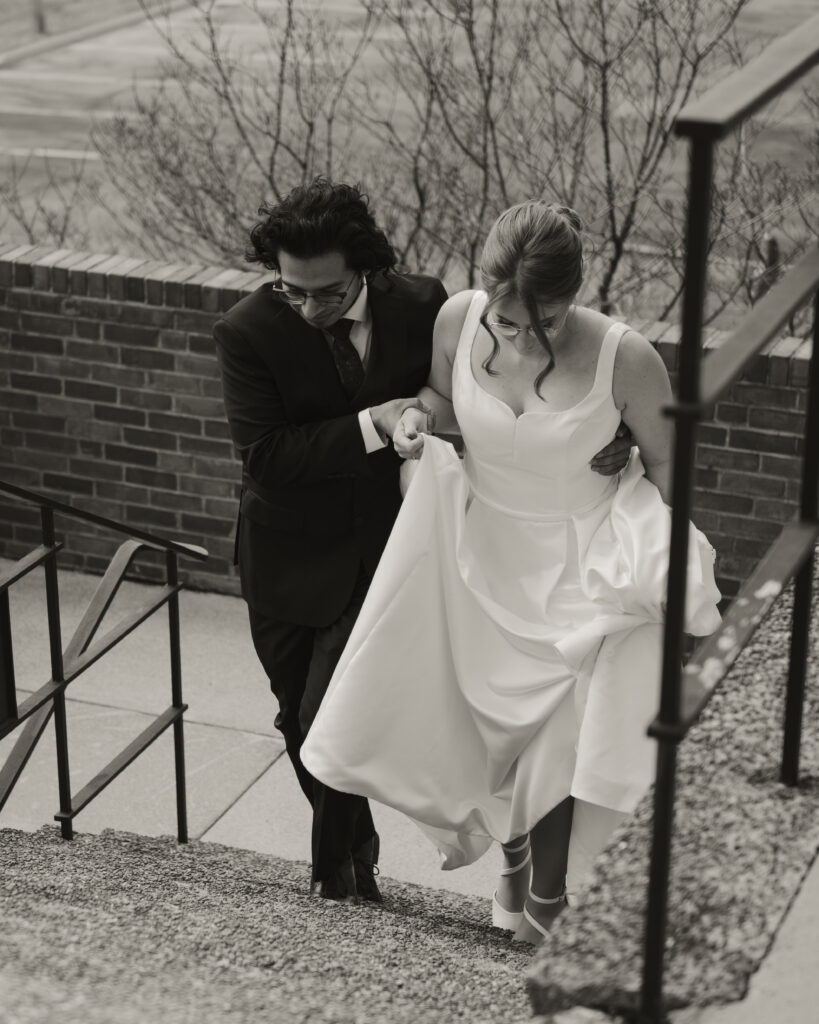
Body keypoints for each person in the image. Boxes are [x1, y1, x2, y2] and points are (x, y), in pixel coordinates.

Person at [300, 200, 721, 939]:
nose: (525, 337)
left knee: (556, 738)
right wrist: (415, 420)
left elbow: (671, 470)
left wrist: (649, 547)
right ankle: (515, 867)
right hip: (478, 554)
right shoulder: (456, 319)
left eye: (547, 322)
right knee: (493, 737)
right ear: (483, 293)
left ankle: (544, 898)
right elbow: (442, 399)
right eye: (508, 322)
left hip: (580, 563)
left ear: (577, 294)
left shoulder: (627, 358)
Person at [214, 180, 632, 905]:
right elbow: (267, 458)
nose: (310, 309)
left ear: (367, 268)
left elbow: (485, 390)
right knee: (296, 716)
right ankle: (352, 855)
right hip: (285, 558)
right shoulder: (247, 330)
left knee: (328, 715)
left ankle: (339, 882)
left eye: (329, 293)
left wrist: (608, 428)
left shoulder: (423, 305)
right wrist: (377, 422)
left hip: (391, 548)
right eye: (293, 292)